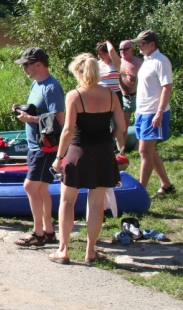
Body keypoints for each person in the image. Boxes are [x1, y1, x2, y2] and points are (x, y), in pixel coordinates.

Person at [50, 54, 125, 264]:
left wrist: (59, 157)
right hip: (103, 152)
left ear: (79, 72)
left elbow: (68, 130)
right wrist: (107, 138)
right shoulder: (111, 95)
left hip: (78, 152)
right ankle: (90, 250)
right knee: (96, 203)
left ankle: (63, 250)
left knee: (67, 201)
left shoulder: (75, 95)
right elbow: (122, 128)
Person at [13, 47, 65, 247]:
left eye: (26, 65)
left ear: (38, 64)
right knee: (42, 189)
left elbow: (59, 120)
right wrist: (22, 109)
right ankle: (49, 232)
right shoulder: (36, 84)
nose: (24, 68)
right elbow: (41, 112)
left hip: (45, 148)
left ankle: (38, 233)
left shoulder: (52, 87)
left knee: (30, 186)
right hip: (34, 146)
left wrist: (30, 118)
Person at [130, 30, 175, 195]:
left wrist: (159, 112)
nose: (139, 47)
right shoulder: (147, 61)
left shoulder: (161, 61)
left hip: (154, 113)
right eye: (138, 44)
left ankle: (140, 191)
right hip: (142, 112)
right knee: (148, 150)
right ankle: (167, 185)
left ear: (152, 44)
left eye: (142, 44)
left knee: (144, 151)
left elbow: (167, 87)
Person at [118, 40, 143, 148]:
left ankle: (139, 148)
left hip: (137, 96)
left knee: (140, 123)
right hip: (124, 98)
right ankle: (122, 149)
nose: (123, 51)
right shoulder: (118, 62)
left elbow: (147, 81)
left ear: (132, 49)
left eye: (125, 49)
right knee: (123, 125)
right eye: (120, 49)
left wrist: (135, 79)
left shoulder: (139, 62)